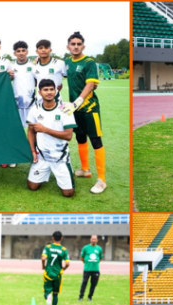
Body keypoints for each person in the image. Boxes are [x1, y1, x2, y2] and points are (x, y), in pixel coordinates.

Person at [63, 32, 107, 194]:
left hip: (89, 108)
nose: (75, 46)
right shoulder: (67, 61)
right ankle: (85, 169)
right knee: (80, 137)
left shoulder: (89, 62)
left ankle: (102, 180)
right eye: (72, 44)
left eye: (78, 44)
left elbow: (90, 85)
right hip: (75, 110)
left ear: (83, 46)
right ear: (68, 46)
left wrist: (79, 101)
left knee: (95, 140)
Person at [27, 79, 77, 197]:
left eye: (51, 89)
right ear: (40, 92)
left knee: (68, 193)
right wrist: (33, 151)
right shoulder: (35, 109)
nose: (49, 92)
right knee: (32, 187)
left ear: (56, 91)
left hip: (60, 156)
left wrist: (45, 129)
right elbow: (30, 131)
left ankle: (68, 172)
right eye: (45, 90)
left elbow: (68, 136)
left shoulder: (65, 108)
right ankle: (47, 170)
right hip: (42, 156)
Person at [41, 231, 70, 305]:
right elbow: (68, 263)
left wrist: (43, 266)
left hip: (48, 273)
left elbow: (43, 258)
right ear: (61, 238)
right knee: (55, 293)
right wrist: (63, 269)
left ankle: (47, 296)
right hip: (58, 274)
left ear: (52, 238)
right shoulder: (64, 250)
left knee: (46, 292)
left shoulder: (48, 247)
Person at [33, 39, 67, 104]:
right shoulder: (34, 66)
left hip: (56, 99)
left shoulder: (60, 63)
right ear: (37, 51)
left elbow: (70, 78)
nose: (43, 50)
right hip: (39, 100)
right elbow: (34, 82)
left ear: (50, 50)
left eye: (46, 48)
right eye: (40, 48)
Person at [79, 235, 103, 301]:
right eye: (92, 239)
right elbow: (82, 257)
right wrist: (86, 263)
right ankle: (81, 297)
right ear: (90, 239)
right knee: (84, 282)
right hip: (87, 269)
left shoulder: (99, 249)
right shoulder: (85, 248)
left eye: (95, 239)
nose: (93, 240)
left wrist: (95, 263)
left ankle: (90, 297)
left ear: (97, 240)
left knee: (93, 284)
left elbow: (100, 258)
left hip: (95, 270)